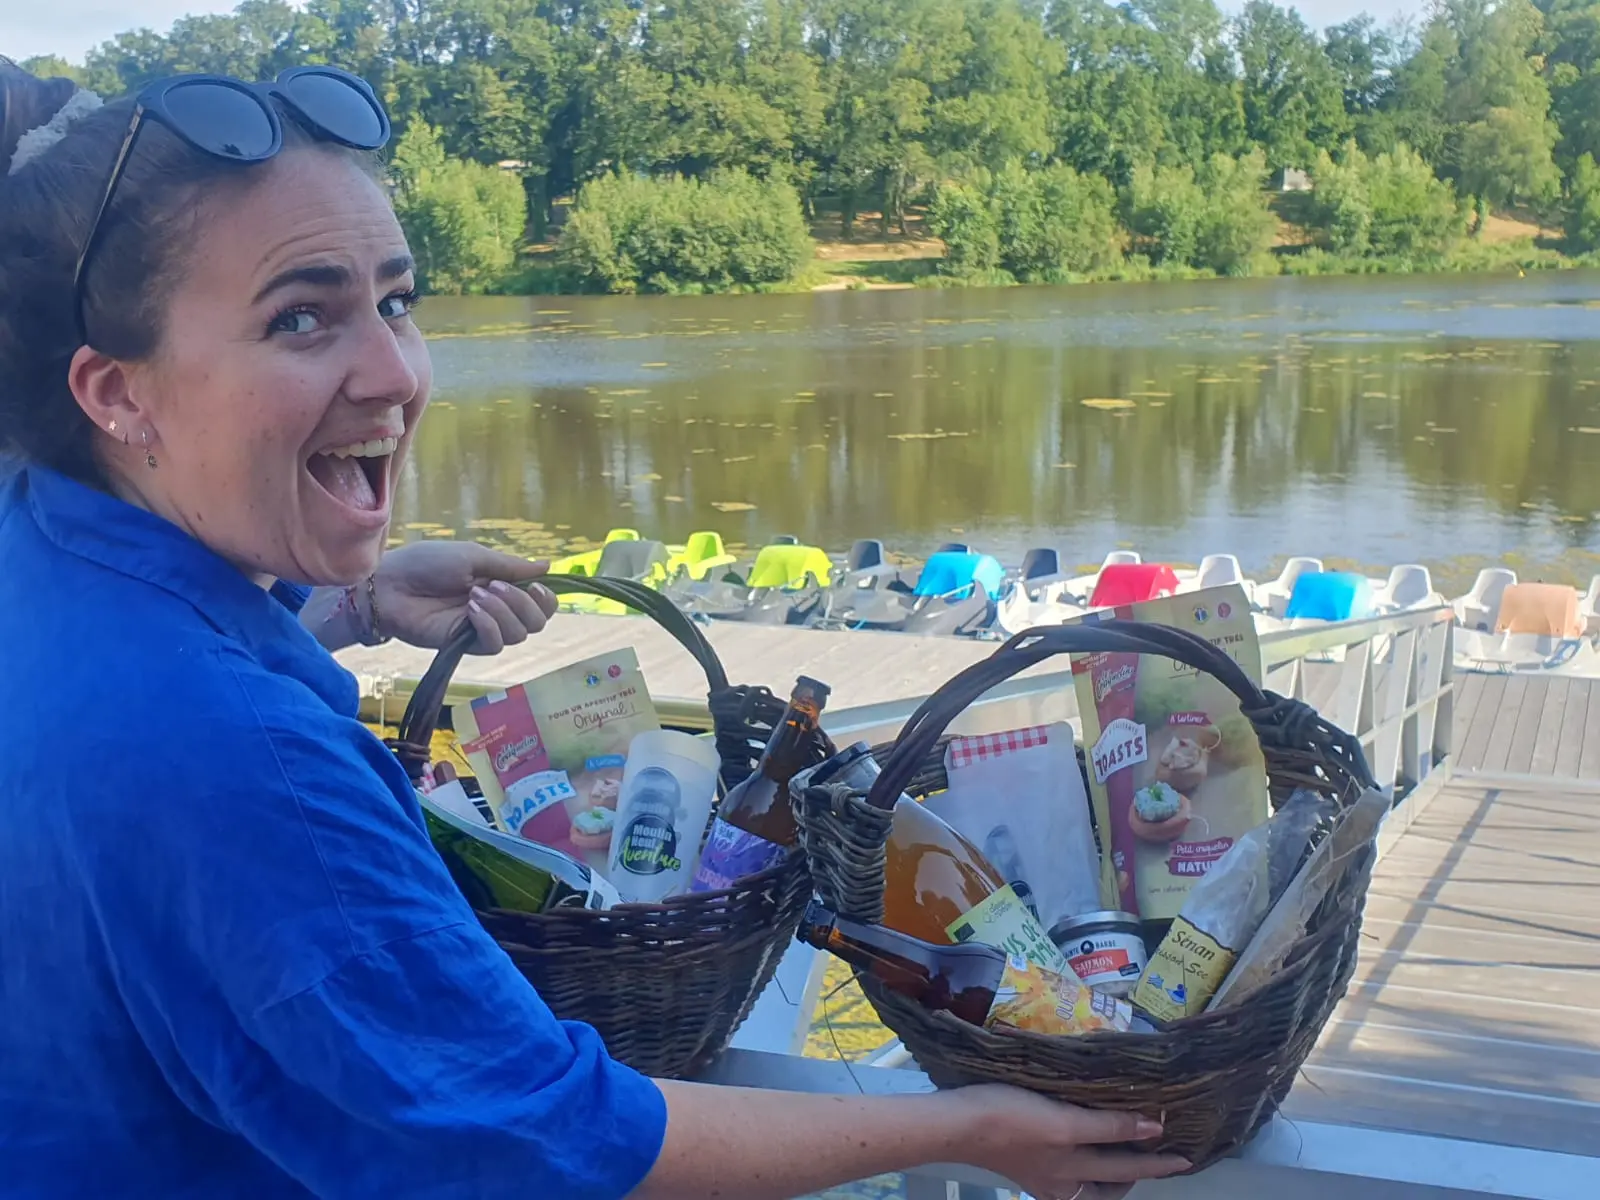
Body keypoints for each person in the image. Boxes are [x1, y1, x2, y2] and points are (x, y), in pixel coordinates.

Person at [0, 58, 1189, 1200]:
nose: (395, 372)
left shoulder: (41, 549)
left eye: (397, 302)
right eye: (301, 319)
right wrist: (970, 1128)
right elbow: (547, 1146)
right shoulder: (240, 765)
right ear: (116, 392)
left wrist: (352, 605)